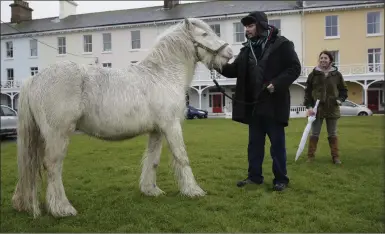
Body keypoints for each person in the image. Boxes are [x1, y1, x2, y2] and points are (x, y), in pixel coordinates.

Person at [214, 11, 301, 191]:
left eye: (250, 25)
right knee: (254, 145)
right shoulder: (247, 50)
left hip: (274, 104)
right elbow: (232, 71)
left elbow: (294, 68)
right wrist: (214, 63)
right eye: (245, 26)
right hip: (254, 107)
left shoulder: (282, 44)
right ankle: (254, 177)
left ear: (261, 25)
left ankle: (281, 179)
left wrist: (275, 84)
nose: (247, 29)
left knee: (277, 146)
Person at [303, 50, 348, 164]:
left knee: (332, 133)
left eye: (325, 58)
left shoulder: (337, 75)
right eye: (321, 58)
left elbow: (344, 90)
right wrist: (309, 106)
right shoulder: (313, 74)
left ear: (330, 61)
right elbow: (307, 92)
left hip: (332, 108)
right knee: (314, 133)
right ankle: (310, 156)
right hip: (316, 109)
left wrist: (340, 99)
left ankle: (335, 157)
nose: (323, 60)